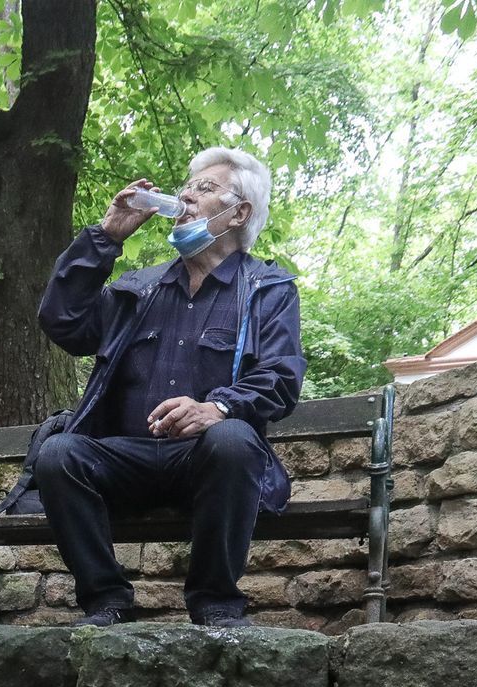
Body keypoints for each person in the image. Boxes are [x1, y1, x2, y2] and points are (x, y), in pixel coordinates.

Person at [33, 147, 305, 628]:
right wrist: (105, 237)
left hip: (209, 464)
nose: (184, 196)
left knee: (234, 438)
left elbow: (281, 378)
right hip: (127, 460)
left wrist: (217, 407)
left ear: (238, 212)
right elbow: (62, 322)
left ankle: (215, 602)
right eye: (186, 186)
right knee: (59, 453)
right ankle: (106, 601)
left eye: (203, 188)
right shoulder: (139, 288)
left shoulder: (267, 287)